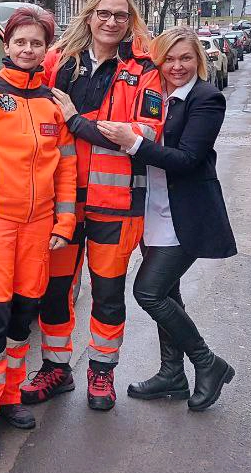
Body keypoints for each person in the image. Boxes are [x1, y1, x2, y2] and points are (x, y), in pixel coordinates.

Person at [0, 0, 163, 411]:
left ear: (131, 21)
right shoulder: (58, 62)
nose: (111, 22)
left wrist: (78, 121)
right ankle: (56, 368)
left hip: (116, 203)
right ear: (89, 16)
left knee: (107, 293)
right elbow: (19, 81)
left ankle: (102, 374)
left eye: (120, 15)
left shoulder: (144, 70)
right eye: (103, 13)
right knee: (53, 293)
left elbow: (142, 135)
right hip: (58, 208)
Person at [0, 6, 78, 459]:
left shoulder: (54, 103)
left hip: (39, 229)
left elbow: (67, 170)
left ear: (46, 51)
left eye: (37, 43)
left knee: (20, 318)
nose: (28, 49)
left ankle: (8, 398)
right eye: (20, 42)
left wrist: (64, 224)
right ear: (6, 46)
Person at [96, 25, 237, 412]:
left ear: (198, 60)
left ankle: (208, 364)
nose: (177, 66)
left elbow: (188, 160)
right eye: (169, 59)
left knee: (149, 291)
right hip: (153, 210)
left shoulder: (206, 99)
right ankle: (171, 373)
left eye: (185, 58)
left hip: (186, 214)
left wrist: (134, 143)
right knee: (169, 293)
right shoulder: (156, 95)